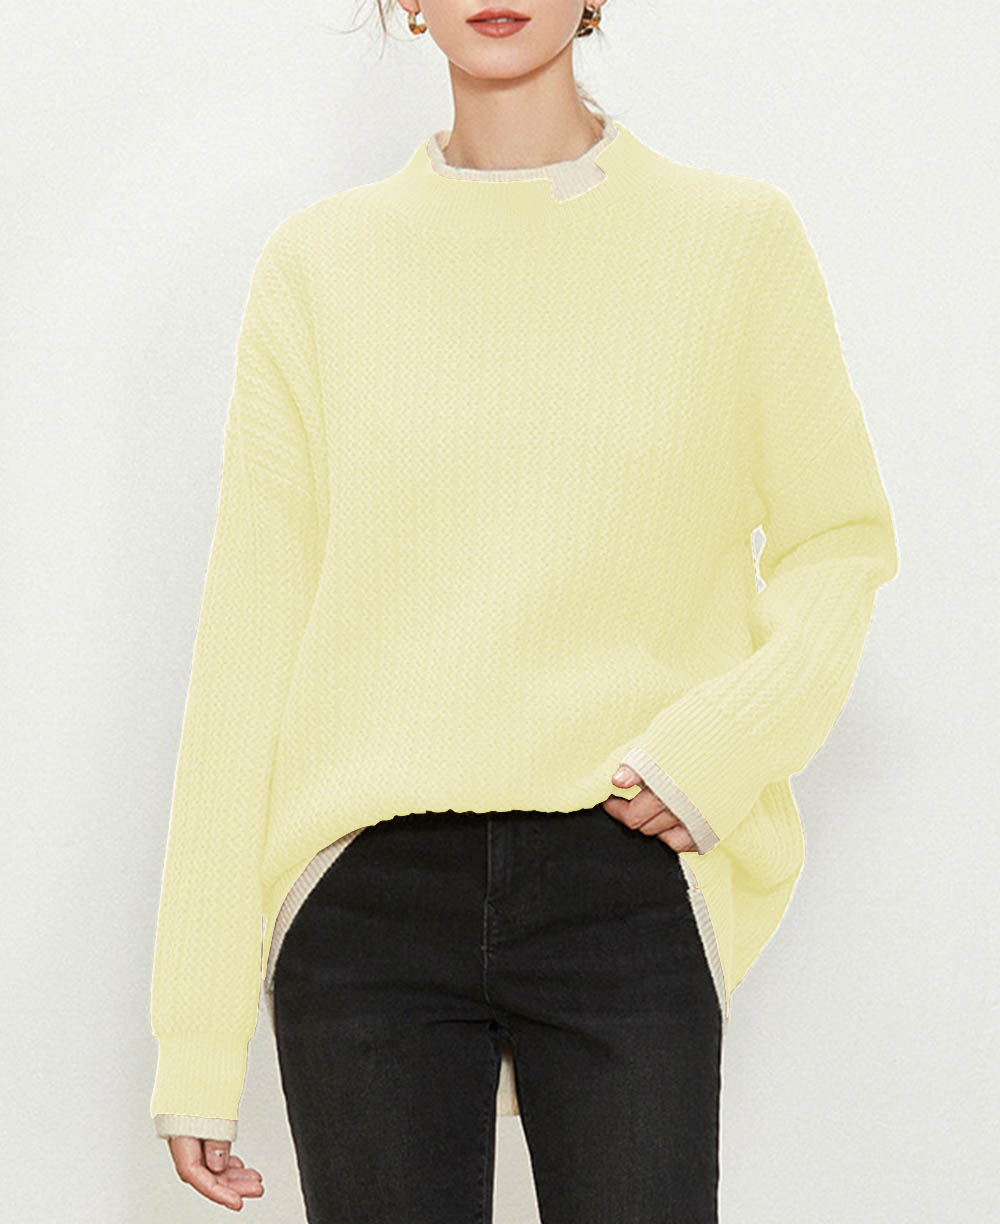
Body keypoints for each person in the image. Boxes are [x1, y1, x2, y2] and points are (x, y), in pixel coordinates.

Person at [149, 2, 900, 1220]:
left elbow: (838, 540)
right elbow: (248, 642)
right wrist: (196, 1035)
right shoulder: (320, 268)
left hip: (621, 873)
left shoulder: (732, 244)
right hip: (366, 895)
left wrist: (723, 744)